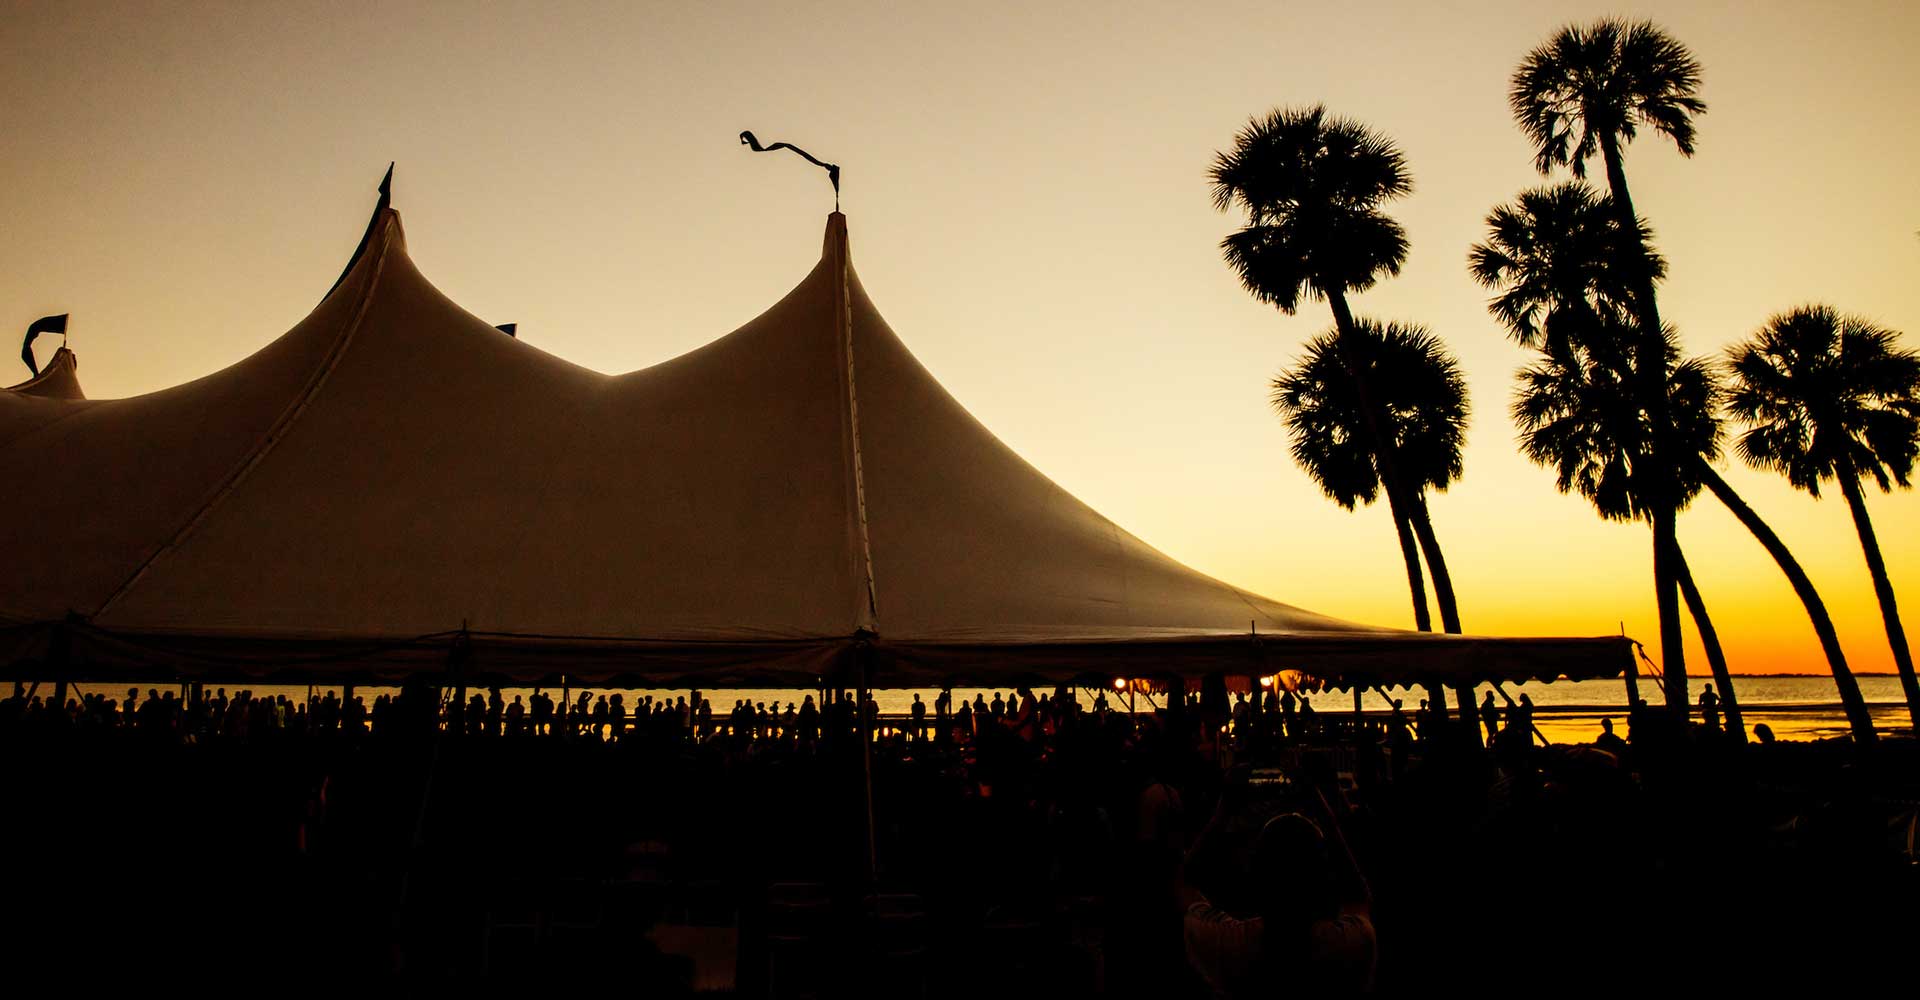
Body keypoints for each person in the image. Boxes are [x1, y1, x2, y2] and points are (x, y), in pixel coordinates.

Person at [1178, 779, 1376, 996]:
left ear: (1256, 877)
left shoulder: (1230, 944)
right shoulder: (1347, 945)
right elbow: (1358, 895)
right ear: (1323, 879)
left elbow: (1181, 882)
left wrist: (1221, 814)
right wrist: (1328, 821)